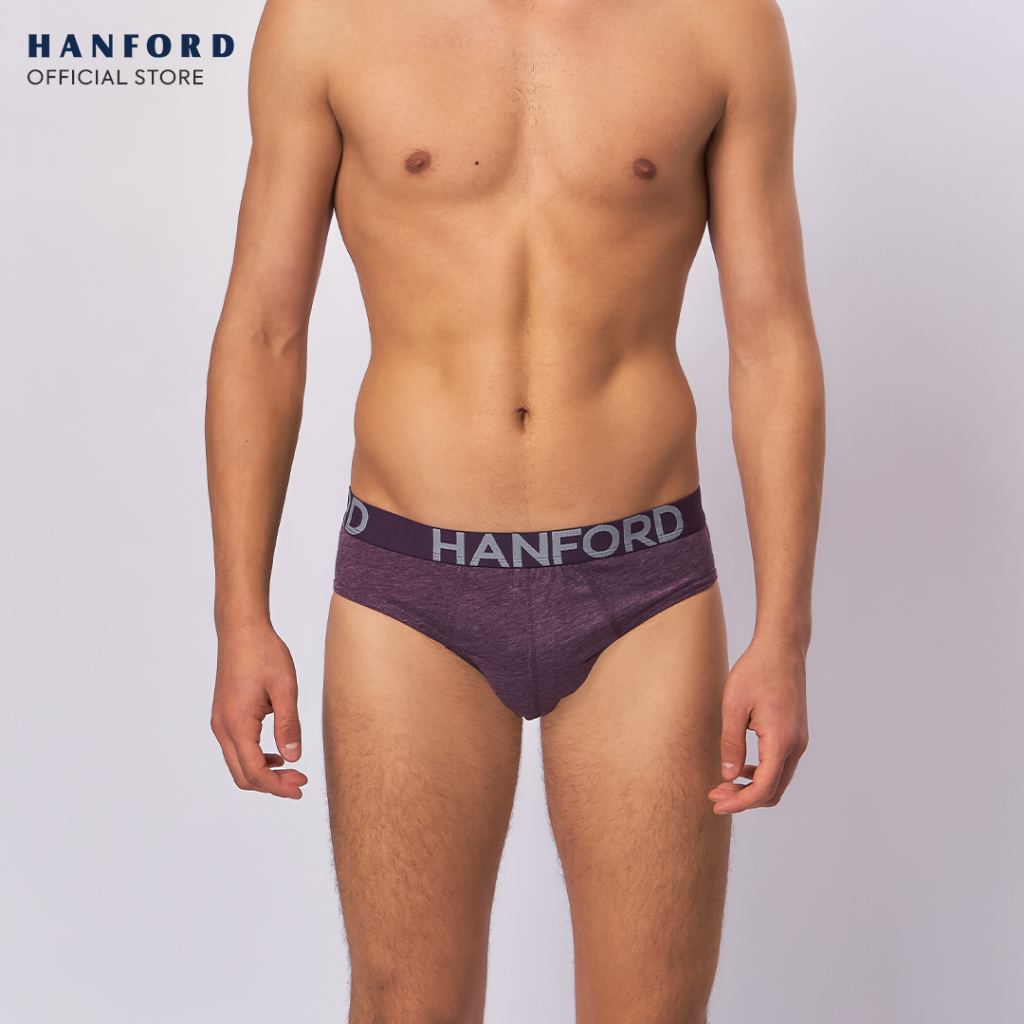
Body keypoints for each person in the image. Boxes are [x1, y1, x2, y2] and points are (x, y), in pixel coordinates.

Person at [206, 0, 824, 1019]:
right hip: (410, 587)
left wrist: (784, 634)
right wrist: (240, 615)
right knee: (405, 1007)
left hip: (645, 587)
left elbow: (771, 340)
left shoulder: (719, 21)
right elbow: (264, 329)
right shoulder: (326, 21)